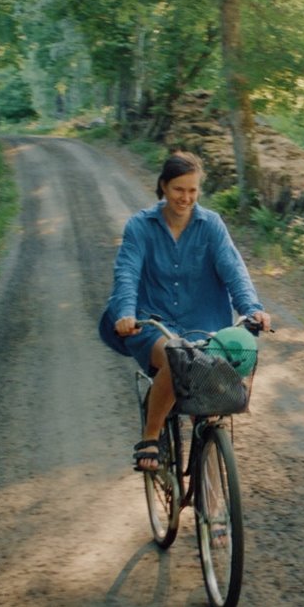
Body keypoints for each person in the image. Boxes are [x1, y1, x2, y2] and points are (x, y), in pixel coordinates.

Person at [97, 151, 271, 471]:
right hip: (151, 323)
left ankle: (206, 446)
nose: (186, 197)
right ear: (163, 186)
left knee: (215, 375)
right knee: (177, 357)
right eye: (179, 189)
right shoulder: (140, 226)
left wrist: (252, 309)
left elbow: (234, 271)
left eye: (192, 190)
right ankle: (150, 437)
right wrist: (124, 313)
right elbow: (127, 274)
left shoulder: (211, 225)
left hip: (204, 323)